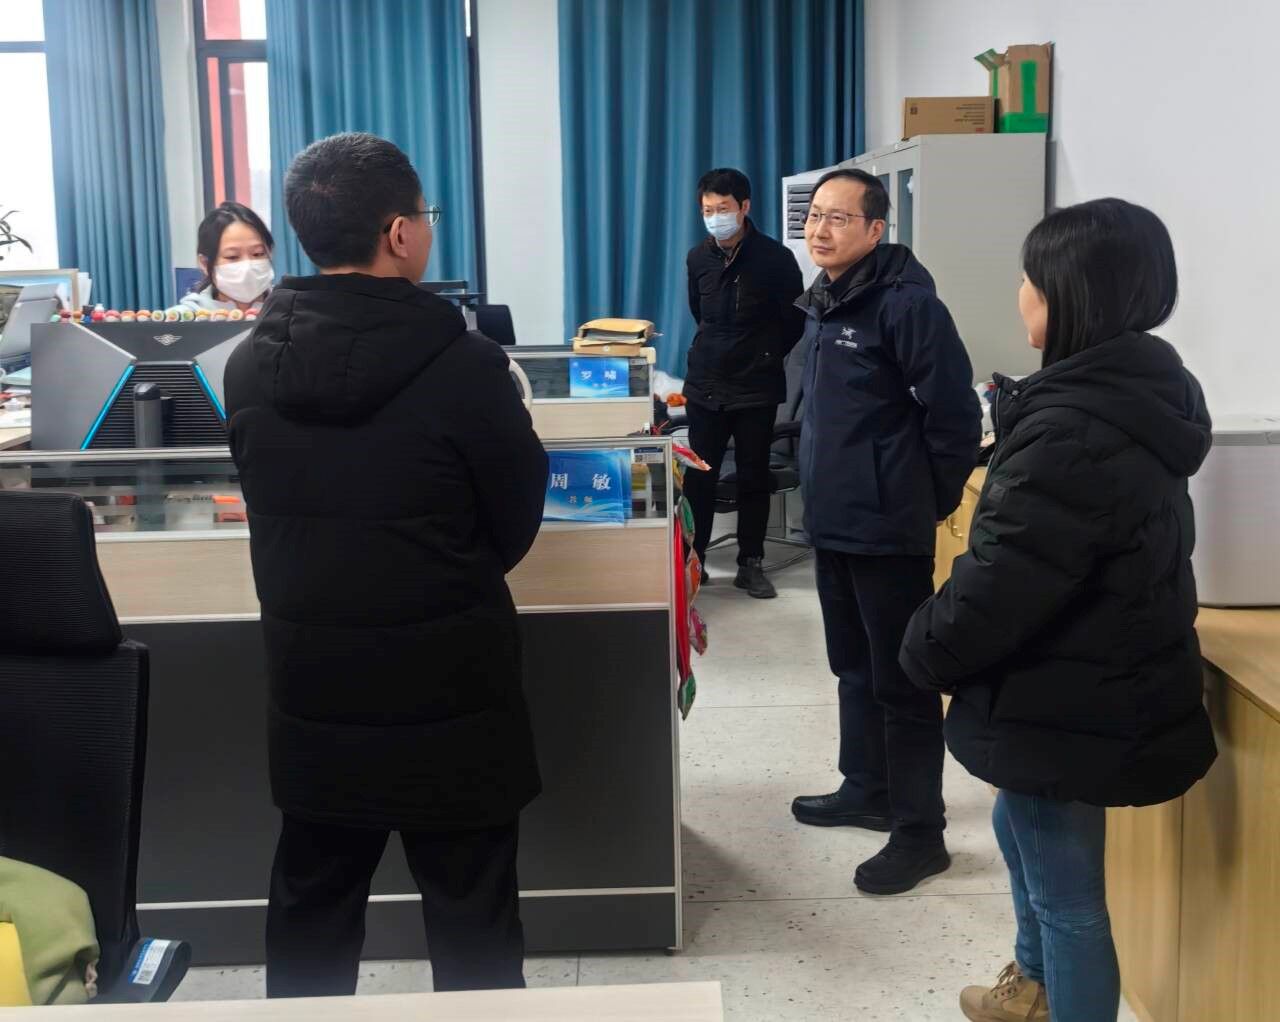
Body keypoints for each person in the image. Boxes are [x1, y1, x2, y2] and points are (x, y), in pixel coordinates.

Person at [223, 133, 548, 998]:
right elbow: (514, 521)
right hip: (452, 684)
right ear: (400, 233)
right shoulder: (466, 365)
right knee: (474, 916)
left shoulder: (249, 365)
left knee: (312, 908)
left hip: (315, 686)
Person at [900, 199, 1217, 1022]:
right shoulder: (1140, 390)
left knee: (1069, 897)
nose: (1020, 294)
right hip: (1091, 677)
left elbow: (1002, 584)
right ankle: (1031, 992)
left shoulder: (1072, 431)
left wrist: (922, 648)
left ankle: (1054, 994)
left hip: (1066, 694)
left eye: (1030, 280)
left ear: (1071, 297)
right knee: (1022, 831)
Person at [789, 169, 981, 895]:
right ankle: (866, 787)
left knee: (902, 681)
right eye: (815, 215)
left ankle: (920, 832)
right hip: (834, 520)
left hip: (886, 525)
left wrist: (921, 500)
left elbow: (954, 415)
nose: (820, 229)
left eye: (838, 218)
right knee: (852, 667)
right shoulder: (825, 299)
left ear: (876, 230)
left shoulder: (907, 306)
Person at [682, 168, 805, 600]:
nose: (714, 217)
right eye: (707, 210)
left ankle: (750, 563)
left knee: (753, 475)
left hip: (756, 386)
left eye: (723, 208)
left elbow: (794, 321)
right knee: (700, 476)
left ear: (744, 207)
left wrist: (762, 355)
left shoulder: (776, 259)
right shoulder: (698, 258)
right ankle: (694, 561)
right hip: (705, 384)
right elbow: (699, 312)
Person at [180, 201, 275, 314]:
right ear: (205, 263)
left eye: (258, 254)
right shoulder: (182, 318)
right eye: (232, 257)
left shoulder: (289, 310)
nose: (248, 267)